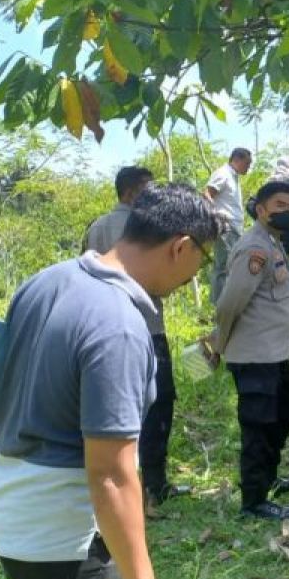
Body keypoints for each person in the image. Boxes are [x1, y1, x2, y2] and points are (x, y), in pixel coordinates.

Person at [0, 183, 220, 579]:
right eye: (201, 262)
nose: (194, 278)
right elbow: (112, 472)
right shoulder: (119, 324)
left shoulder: (49, 280)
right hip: (66, 538)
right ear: (180, 247)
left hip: (13, 509)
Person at [83, 166, 190, 510]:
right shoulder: (148, 228)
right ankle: (153, 484)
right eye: (146, 190)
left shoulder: (96, 228)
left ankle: (133, 483)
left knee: (115, 412)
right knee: (158, 406)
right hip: (147, 327)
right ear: (129, 193)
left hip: (103, 326)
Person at [213, 180, 289, 520]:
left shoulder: (273, 243)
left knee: (284, 411)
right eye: (279, 205)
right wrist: (218, 345)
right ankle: (253, 501)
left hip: (273, 353)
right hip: (254, 357)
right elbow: (229, 303)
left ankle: (269, 477)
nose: (287, 212)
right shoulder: (254, 247)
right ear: (261, 208)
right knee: (259, 426)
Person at [249, 155, 289, 329]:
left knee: (277, 278)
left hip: (274, 238)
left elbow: (253, 207)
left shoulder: (269, 185)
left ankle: (278, 316)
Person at [205, 147, 253, 304]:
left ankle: (227, 304)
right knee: (224, 267)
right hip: (226, 227)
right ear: (237, 160)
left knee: (232, 266)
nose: (248, 167)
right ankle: (220, 307)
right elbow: (206, 194)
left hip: (234, 228)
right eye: (247, 163)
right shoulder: (223, 173)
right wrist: (217, 216)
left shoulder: (234, 177)